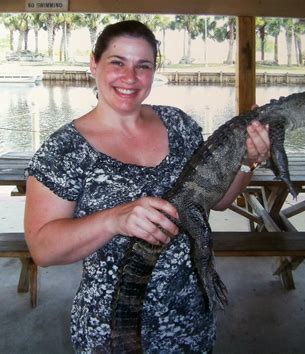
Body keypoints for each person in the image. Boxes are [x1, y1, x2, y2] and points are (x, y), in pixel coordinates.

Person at [24, 20, 270, 353]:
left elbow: (221, 200)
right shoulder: (63, 150)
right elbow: (42, 249)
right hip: (112, 331)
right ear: (93, 64)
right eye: (117, 63)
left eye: (143, 66)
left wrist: (247, 160)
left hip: (191, 320)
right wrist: (114, 219)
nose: (130, 78)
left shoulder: (179, 125)